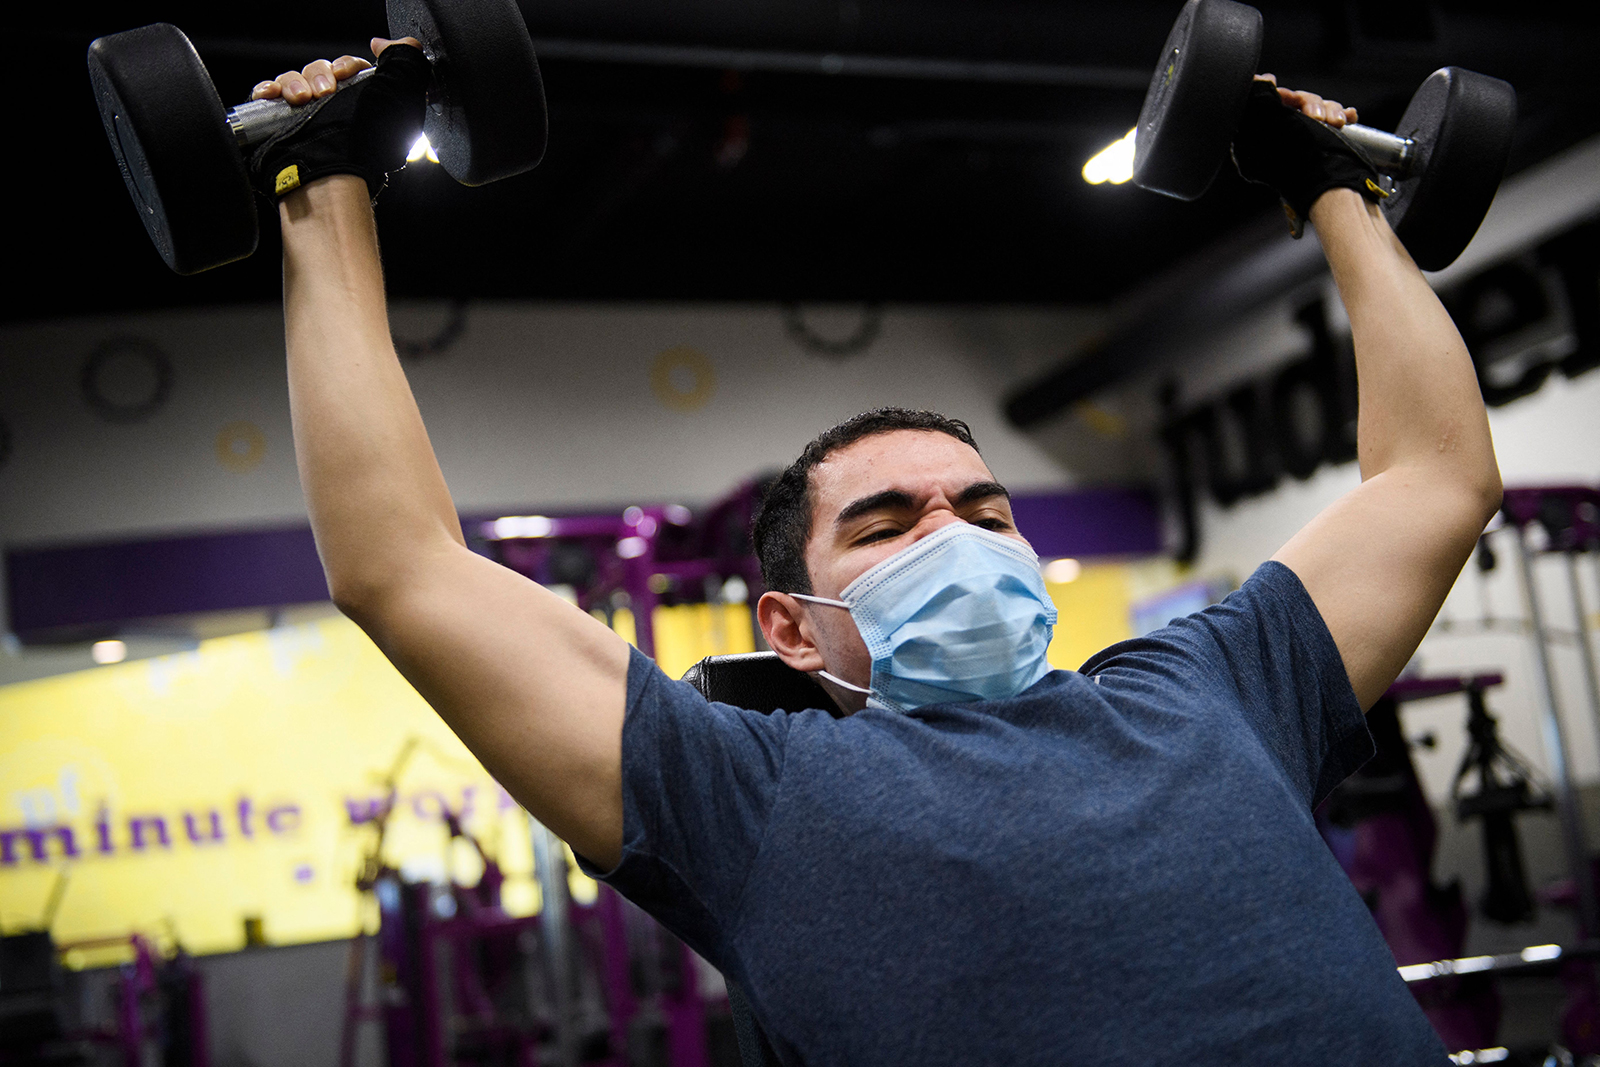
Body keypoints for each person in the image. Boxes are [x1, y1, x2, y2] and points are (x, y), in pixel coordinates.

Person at [252, 39, 1499, 1065]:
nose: (951, 532)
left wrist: (1331, 187)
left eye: (982, 507)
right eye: (888, 521)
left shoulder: (1211, 687)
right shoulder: (739, 790)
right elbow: (398, 563)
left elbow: (1435, 478)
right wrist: (324, 186)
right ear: (789, 624)